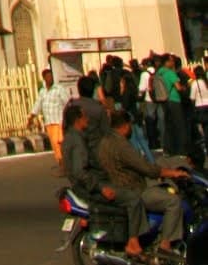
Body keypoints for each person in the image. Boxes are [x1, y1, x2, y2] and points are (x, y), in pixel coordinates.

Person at [98, 106, 190, 258]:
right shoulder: (121, 145)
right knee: (173, 201)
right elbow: (147, 168)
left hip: (118, 188)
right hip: (134, 188)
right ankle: (165, 245)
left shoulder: (104, 143)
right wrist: (172, 172)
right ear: (126, 126)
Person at [61, 100, 148, 258]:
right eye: (84, 117)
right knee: (133, 199)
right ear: (78, 120)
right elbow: (81, 172)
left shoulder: (70, 138)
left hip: (85, 187)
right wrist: (101, 188)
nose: (87, 120)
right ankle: (133, 242)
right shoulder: (77, 140)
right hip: (90, 189)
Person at [33, 65, 68, 167]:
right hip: (49, 121)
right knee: (54, 144)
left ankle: (64, 162)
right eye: (48, 76)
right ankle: (60, 162)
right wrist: (32, 116)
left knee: (59, 142)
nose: (50, 78)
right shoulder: (43, 92)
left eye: (51, 76)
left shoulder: (59, 89)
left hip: (59, 120)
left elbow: (66, 102)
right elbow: (38, 104)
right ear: (44, 78)